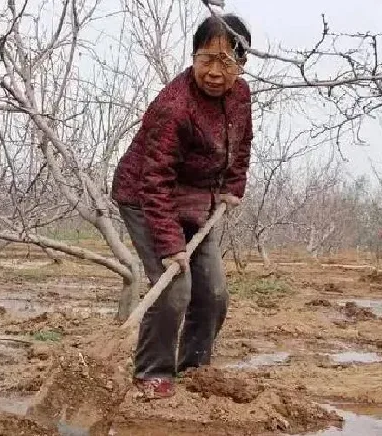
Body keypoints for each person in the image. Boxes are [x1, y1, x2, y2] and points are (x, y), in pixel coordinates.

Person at [111, 13, 252, 399]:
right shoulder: (173, 108)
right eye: (206, 59)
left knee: (215, 294)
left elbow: (241, 147)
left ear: (242, 64)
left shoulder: (241, 96)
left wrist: (233, 186)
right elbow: (153, 182)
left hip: (198, 200)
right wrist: (171, 244)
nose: (214, 71)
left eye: (226, 62)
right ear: (193, 57)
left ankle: (194, 368)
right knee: (174, 289)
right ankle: (152, 372)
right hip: (146, 198)